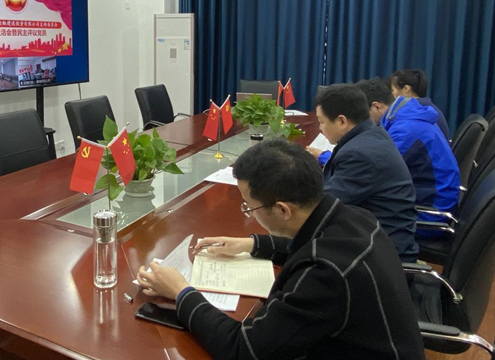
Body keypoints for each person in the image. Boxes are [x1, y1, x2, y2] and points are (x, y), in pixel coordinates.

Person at [136, 139, 425, 360]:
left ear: (283, 210)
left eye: (249, 206)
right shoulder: (352, 217)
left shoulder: (325, 274)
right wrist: (251, 244)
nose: (248, 213)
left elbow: (243, 349)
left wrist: (182, 293)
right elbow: (309, 243)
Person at [312, 84, 418, 261]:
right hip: (374, 231)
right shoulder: (369, 133)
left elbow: (323, 208)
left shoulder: (359, 154)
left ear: (342, 121)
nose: (320, 128)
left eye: (322, 122)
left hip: (381, 251)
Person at [355, 78, 460, 235]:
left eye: (363, 114)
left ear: (376, 106)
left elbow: (372, 169)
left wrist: (326, 156)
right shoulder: (407, 115)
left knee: (352, 215)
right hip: (430, 198)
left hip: (431, 214)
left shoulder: (406, 130)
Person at [390, 69, 450, 140]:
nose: (392, 94)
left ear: (406, 89)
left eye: (393, 90)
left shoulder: (416, 112)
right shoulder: (426, 107)